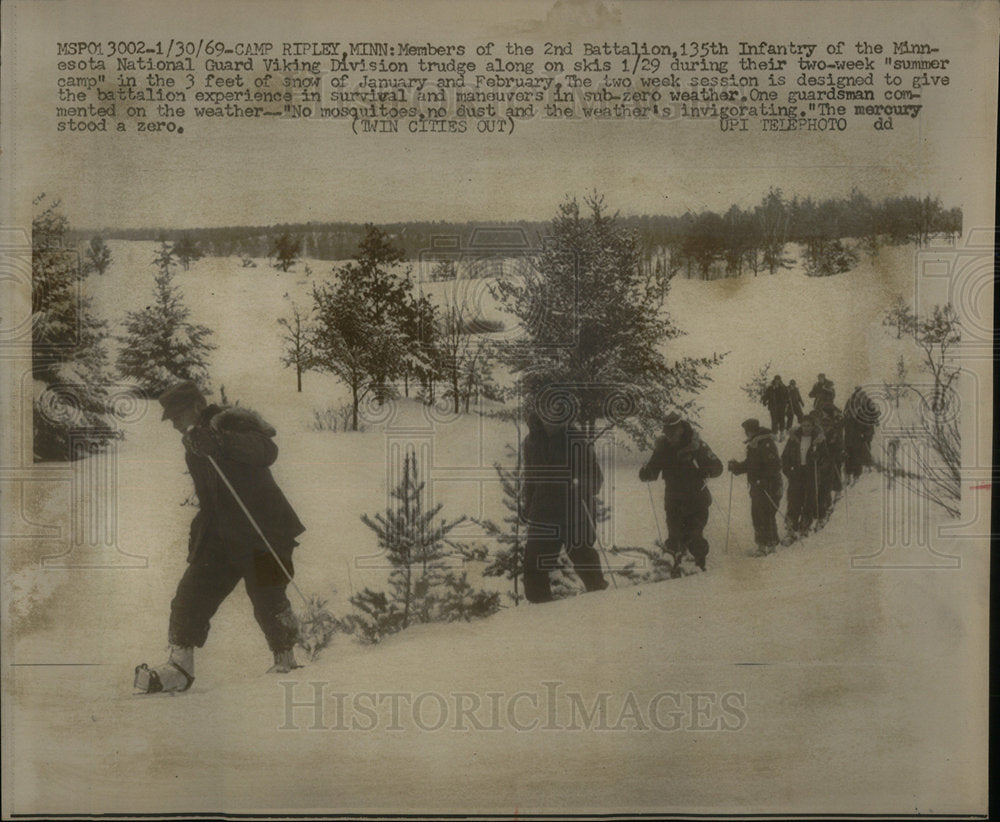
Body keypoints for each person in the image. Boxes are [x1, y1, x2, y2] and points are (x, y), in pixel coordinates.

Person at [135, 381, 306, 693]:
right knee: (190, 594)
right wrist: (200, 539)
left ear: (198, 407)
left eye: (177, 416)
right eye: (170, 419)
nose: (173, 425)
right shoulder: (193, 446)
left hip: (264, 530)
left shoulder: (232, 423)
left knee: (267, 597)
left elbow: (267, 450)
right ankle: (180, 667)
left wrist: (219, 441)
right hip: (223, 536)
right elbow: (210, 499)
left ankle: (286, 660)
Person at [520, 410, 609, 603]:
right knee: (533, 565)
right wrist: (527, 506)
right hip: (544, 513)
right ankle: (540, 615)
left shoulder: (576, 439)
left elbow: (596, 478)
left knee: (585, 561)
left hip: (575, 512)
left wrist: (580, 484)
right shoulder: (531, 442)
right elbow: (530, 478)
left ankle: (602, 608)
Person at [639, 412, 723, 571]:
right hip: (674, 502)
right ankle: (674, 570)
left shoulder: (697, 445)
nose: (669, 435)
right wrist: (646, 473)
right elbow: (653, 470)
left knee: (694, 536)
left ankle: (699, 565)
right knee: (674, 538)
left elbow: (718, 467)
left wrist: (705, 470)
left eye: (672, 431)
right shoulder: (663, 447)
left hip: (697, 501)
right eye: (667, 432)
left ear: (681, 429)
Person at [728, 418, 782, 555]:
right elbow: (750, 464)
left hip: (770, 486)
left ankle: (771, 545)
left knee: (767, 514)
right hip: (757, 486)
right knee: (757, 515)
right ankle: (761, 546)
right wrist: (737, 467)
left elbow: (774, 465)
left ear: (753, 430)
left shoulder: (766, 443)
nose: (746, 433)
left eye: (747, 431)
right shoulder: (754, 444)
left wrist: (765, 480)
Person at [781, 413, 833, 539]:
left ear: (813, 426)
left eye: (808, 425)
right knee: (794, 501)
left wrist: (818, 460)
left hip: (811, 473)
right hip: (796, 473)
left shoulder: (819, 440)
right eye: (803, 425)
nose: (806, 428)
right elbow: (785, 457)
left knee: (809, 501)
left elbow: (826, 458)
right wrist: (789, 471)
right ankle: (791, 529)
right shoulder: (793, 439)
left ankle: (805, 527)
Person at [843, 386, 880, 483]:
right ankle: (848, 474)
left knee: (862, 451)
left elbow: (873, 413)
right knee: (849, 454)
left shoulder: (867, 401)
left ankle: (861, 469)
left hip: (861, 434)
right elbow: (845, 414)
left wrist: (867, 432)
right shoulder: (850, 401)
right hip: (850, 435)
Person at [761, 375, 790, 439]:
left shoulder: (784, 387)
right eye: (776, 379)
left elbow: (787, 396)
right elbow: (766, 395)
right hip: (773, 407)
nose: (777, 381)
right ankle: (774, 434)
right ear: (774, 380)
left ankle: (782, 433)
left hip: (782, 406)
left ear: (780, 380)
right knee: (774, 420)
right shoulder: (770, 388)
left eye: (778, 379)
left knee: (781, 419)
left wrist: (787, 403)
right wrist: (764, 401)